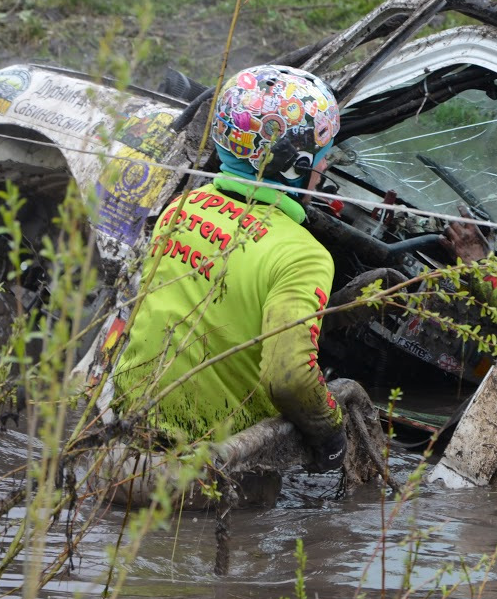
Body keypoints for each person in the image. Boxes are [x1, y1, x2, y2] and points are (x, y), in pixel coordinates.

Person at [110, 65, 348, 472]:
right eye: (323, 160)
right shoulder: (303, 255)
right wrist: (330, 432)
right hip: (218, 462)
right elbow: (289, 376)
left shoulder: (182, 207)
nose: (324, 170)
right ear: (299, 164)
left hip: (130, 433)